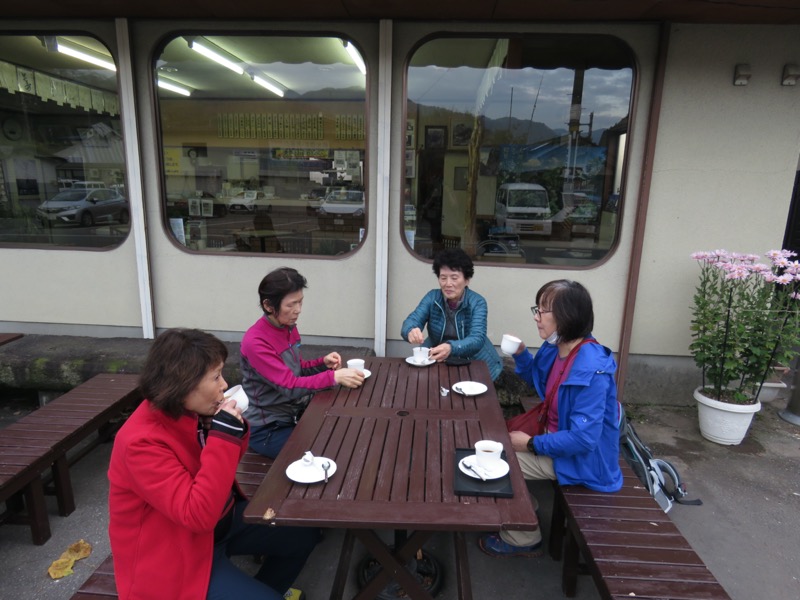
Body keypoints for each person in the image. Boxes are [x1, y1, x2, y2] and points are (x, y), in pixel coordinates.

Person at [108, 328, 318, 600]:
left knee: (303, 534)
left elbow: (221, 470)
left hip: (218, 525)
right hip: (174, 552)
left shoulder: (188, 412)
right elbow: (197, 516)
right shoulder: (140, 443)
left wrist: (232, 432)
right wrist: (223, 438)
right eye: (216, 376)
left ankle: (267, 589)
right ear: (182, 384)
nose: (223, 384)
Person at [479, 280, 622, 557]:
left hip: (585, 461)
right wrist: (521, 354)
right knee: (490, 440)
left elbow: (584, 439)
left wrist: (532, 444)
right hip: (555, 438)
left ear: (565, 317)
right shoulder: (558, 347)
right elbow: (540, 381)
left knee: (493, 461)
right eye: (538, 308)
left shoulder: (591, 370)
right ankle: (524, 505)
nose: (536, 316)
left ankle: (523, 537)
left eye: (542, 310)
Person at [241, 267, 364, 458]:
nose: (298, 310)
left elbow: (297, 370)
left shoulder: (286, 327)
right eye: (291, 305)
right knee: (324, 454)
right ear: (268, 305)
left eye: (300, 302)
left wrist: (323, 363)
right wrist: (333, 377)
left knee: (345, 433)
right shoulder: (256, 342)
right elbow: (290, 386)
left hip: (293, 415)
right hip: (268, 428)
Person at [401, 248, 502, 380]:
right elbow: (412, 320)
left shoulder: (477, 302)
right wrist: (410, 330)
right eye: (443, 278)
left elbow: (477, 339)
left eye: (454, 278)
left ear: (467, 280)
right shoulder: (432, 297)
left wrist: (451, 348)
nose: (448, 284)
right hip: (440, 359)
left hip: (475, 361)